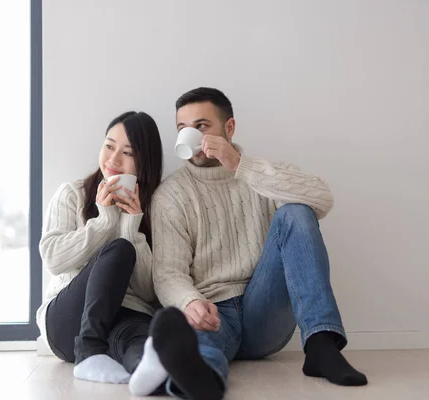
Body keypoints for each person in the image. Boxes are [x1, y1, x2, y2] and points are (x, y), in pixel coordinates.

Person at [133, 87, 367, 399]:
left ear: (228, 128)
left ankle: (322, 345)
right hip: (214, 310)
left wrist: (240, 165)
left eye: (201, 126)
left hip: (264, 308)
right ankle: (203, 379)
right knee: (198, 344)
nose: (192, 135)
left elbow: (322, 198)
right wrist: (190, 303)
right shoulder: (171, 195)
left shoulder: (261, 174)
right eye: (183, 129)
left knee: (296, 212)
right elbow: (167, 273)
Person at [35, 111, 163, 384]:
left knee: (141, 342)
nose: (114, 159)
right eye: (108, 146)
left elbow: (147, 291)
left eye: (127, 152)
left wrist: (132, 225)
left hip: (123, 317)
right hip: (66, 322)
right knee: (119, 250)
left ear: (145, 161)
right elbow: (53, 259)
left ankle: (151, 375)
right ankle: (89, 352)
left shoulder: (158, 208)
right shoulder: (73, 194)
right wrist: (104, 222)